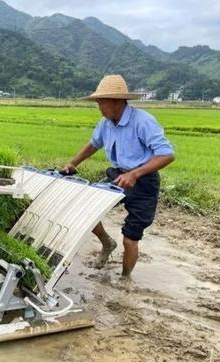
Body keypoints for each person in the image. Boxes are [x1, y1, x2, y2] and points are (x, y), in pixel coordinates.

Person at [63, 74, 175, 277]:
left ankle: (125, 280)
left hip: (143, 181)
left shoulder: (143, 122)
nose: (99, 108)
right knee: (86, 208)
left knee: (130, 237)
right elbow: (93, 144)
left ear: (117, 102)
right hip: (118, 176)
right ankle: (107, 242)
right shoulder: (106, 123)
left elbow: (167, 154)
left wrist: (135, 173)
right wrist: (72, 163)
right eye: (98, 102)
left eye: (102, 102)